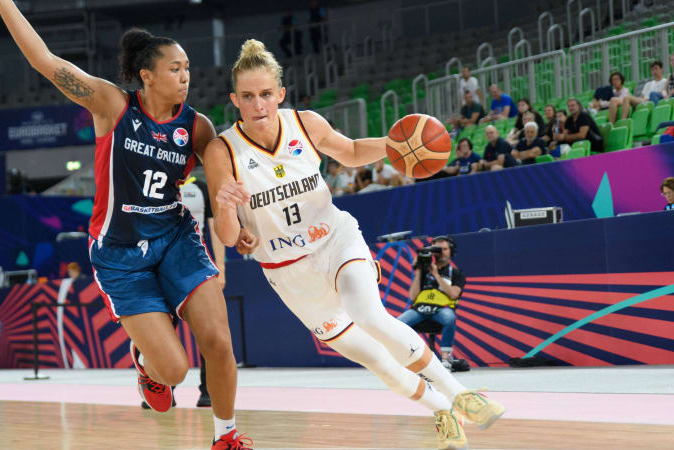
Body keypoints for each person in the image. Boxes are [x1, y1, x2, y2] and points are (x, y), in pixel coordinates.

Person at [204, 39, 504, 450]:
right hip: (288, 272)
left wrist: (399, 144)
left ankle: (461, 394)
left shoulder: (305, 123)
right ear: (234, 100)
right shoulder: (222, 150)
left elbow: (350, 152)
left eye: (267, 94)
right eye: (249, 96)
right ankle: (441, 410)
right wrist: (224, 208)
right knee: (375, 359)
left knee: (370, 314)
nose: (259, 104)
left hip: (335, 240)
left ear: (281, 94)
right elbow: (226, 236)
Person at [0, 2, 250, 449]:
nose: (186, 76)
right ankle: (146, 363)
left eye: (187, 67)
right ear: (148, 76)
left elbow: (225, 180)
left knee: (218, 342)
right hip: (119, 255)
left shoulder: (199, 127)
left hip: (175, 238)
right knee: (174, 372)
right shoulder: (112, 106)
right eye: (175, 68)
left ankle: (225, 436)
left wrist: (239, 219)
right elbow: (44, 61)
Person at [178, 175, 227, 408]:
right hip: (162, 267)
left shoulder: (201, 188)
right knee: (162, 328)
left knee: (209, 330)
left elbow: (215, 227)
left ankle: (207, 391)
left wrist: (221, 268)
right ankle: (160, 387)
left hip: (197, 265)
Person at [397, 237, 464, 369]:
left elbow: (454, 294)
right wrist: (418, 272)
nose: (441, 253)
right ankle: (405, 358)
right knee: (397, 324)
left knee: (450, 318)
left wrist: (436, 274)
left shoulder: (456, 273)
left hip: (441, 309)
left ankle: (445, 358)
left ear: (451, 251)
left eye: (444, 249)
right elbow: (413, 296)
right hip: (420, 309)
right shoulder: (423, 272)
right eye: (438, 250)